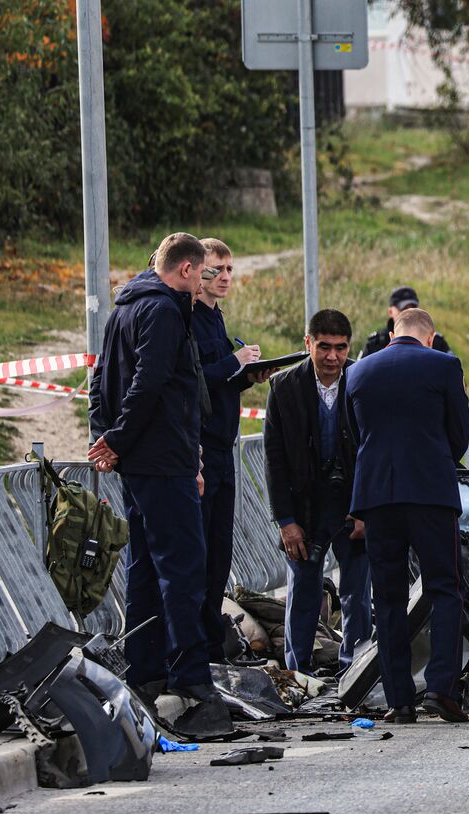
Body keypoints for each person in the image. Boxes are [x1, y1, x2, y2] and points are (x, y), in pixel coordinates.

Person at [88, 232, 233, 737]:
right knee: (184, 570)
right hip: (162, 460)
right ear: (188, 269)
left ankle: (145, 671)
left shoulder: (125, 305)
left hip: (142, 463)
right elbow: (149, 383)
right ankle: (192, 683)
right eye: (204, 274)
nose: (207, 284)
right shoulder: (168, 311)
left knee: (145, 567)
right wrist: (119, 440)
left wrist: (105, 439)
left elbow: (101, 377)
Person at [346, 307, 469, 723]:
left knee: (388, 598)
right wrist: (436, 460)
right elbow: (459, 433)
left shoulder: (359, 372)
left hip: (378, 498)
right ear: (430, 337)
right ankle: (441, 690)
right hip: (431, 494)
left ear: (391, 332)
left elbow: (356, 436)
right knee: (445, 589)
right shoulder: (444, 365)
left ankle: (399, 700)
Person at [264, 309, 373, 675]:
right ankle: (298, 672)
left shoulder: (362, 380)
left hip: (351, 507)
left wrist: (366, 510)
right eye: (324, 347)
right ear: (308, 343)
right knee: (303, 590)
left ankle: (354, 670)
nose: (332, 357)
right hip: (305, 509)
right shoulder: (284, 388)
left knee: (357, 593)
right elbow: (274, 459)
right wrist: (286, 520)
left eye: (340, 348)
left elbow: (373, 450)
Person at [191, 237, 271, 661]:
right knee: (200, 552)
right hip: (201, 449)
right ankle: (195, 646)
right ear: (196, 273)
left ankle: (211, 641)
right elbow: (196, 379)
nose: (224, 278)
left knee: (220, 551)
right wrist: (236, 363)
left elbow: (220, 382)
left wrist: (248, 374)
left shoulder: (216, 317)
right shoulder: (188, 317)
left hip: (224, 447)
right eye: (216, 270)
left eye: (229, 271)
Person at [360, 286, 452, 358]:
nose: (409, 312)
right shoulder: (376, 343)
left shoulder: (436, 341)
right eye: (403, 309)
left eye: (413, 308)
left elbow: (454, 371)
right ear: (390, 312)